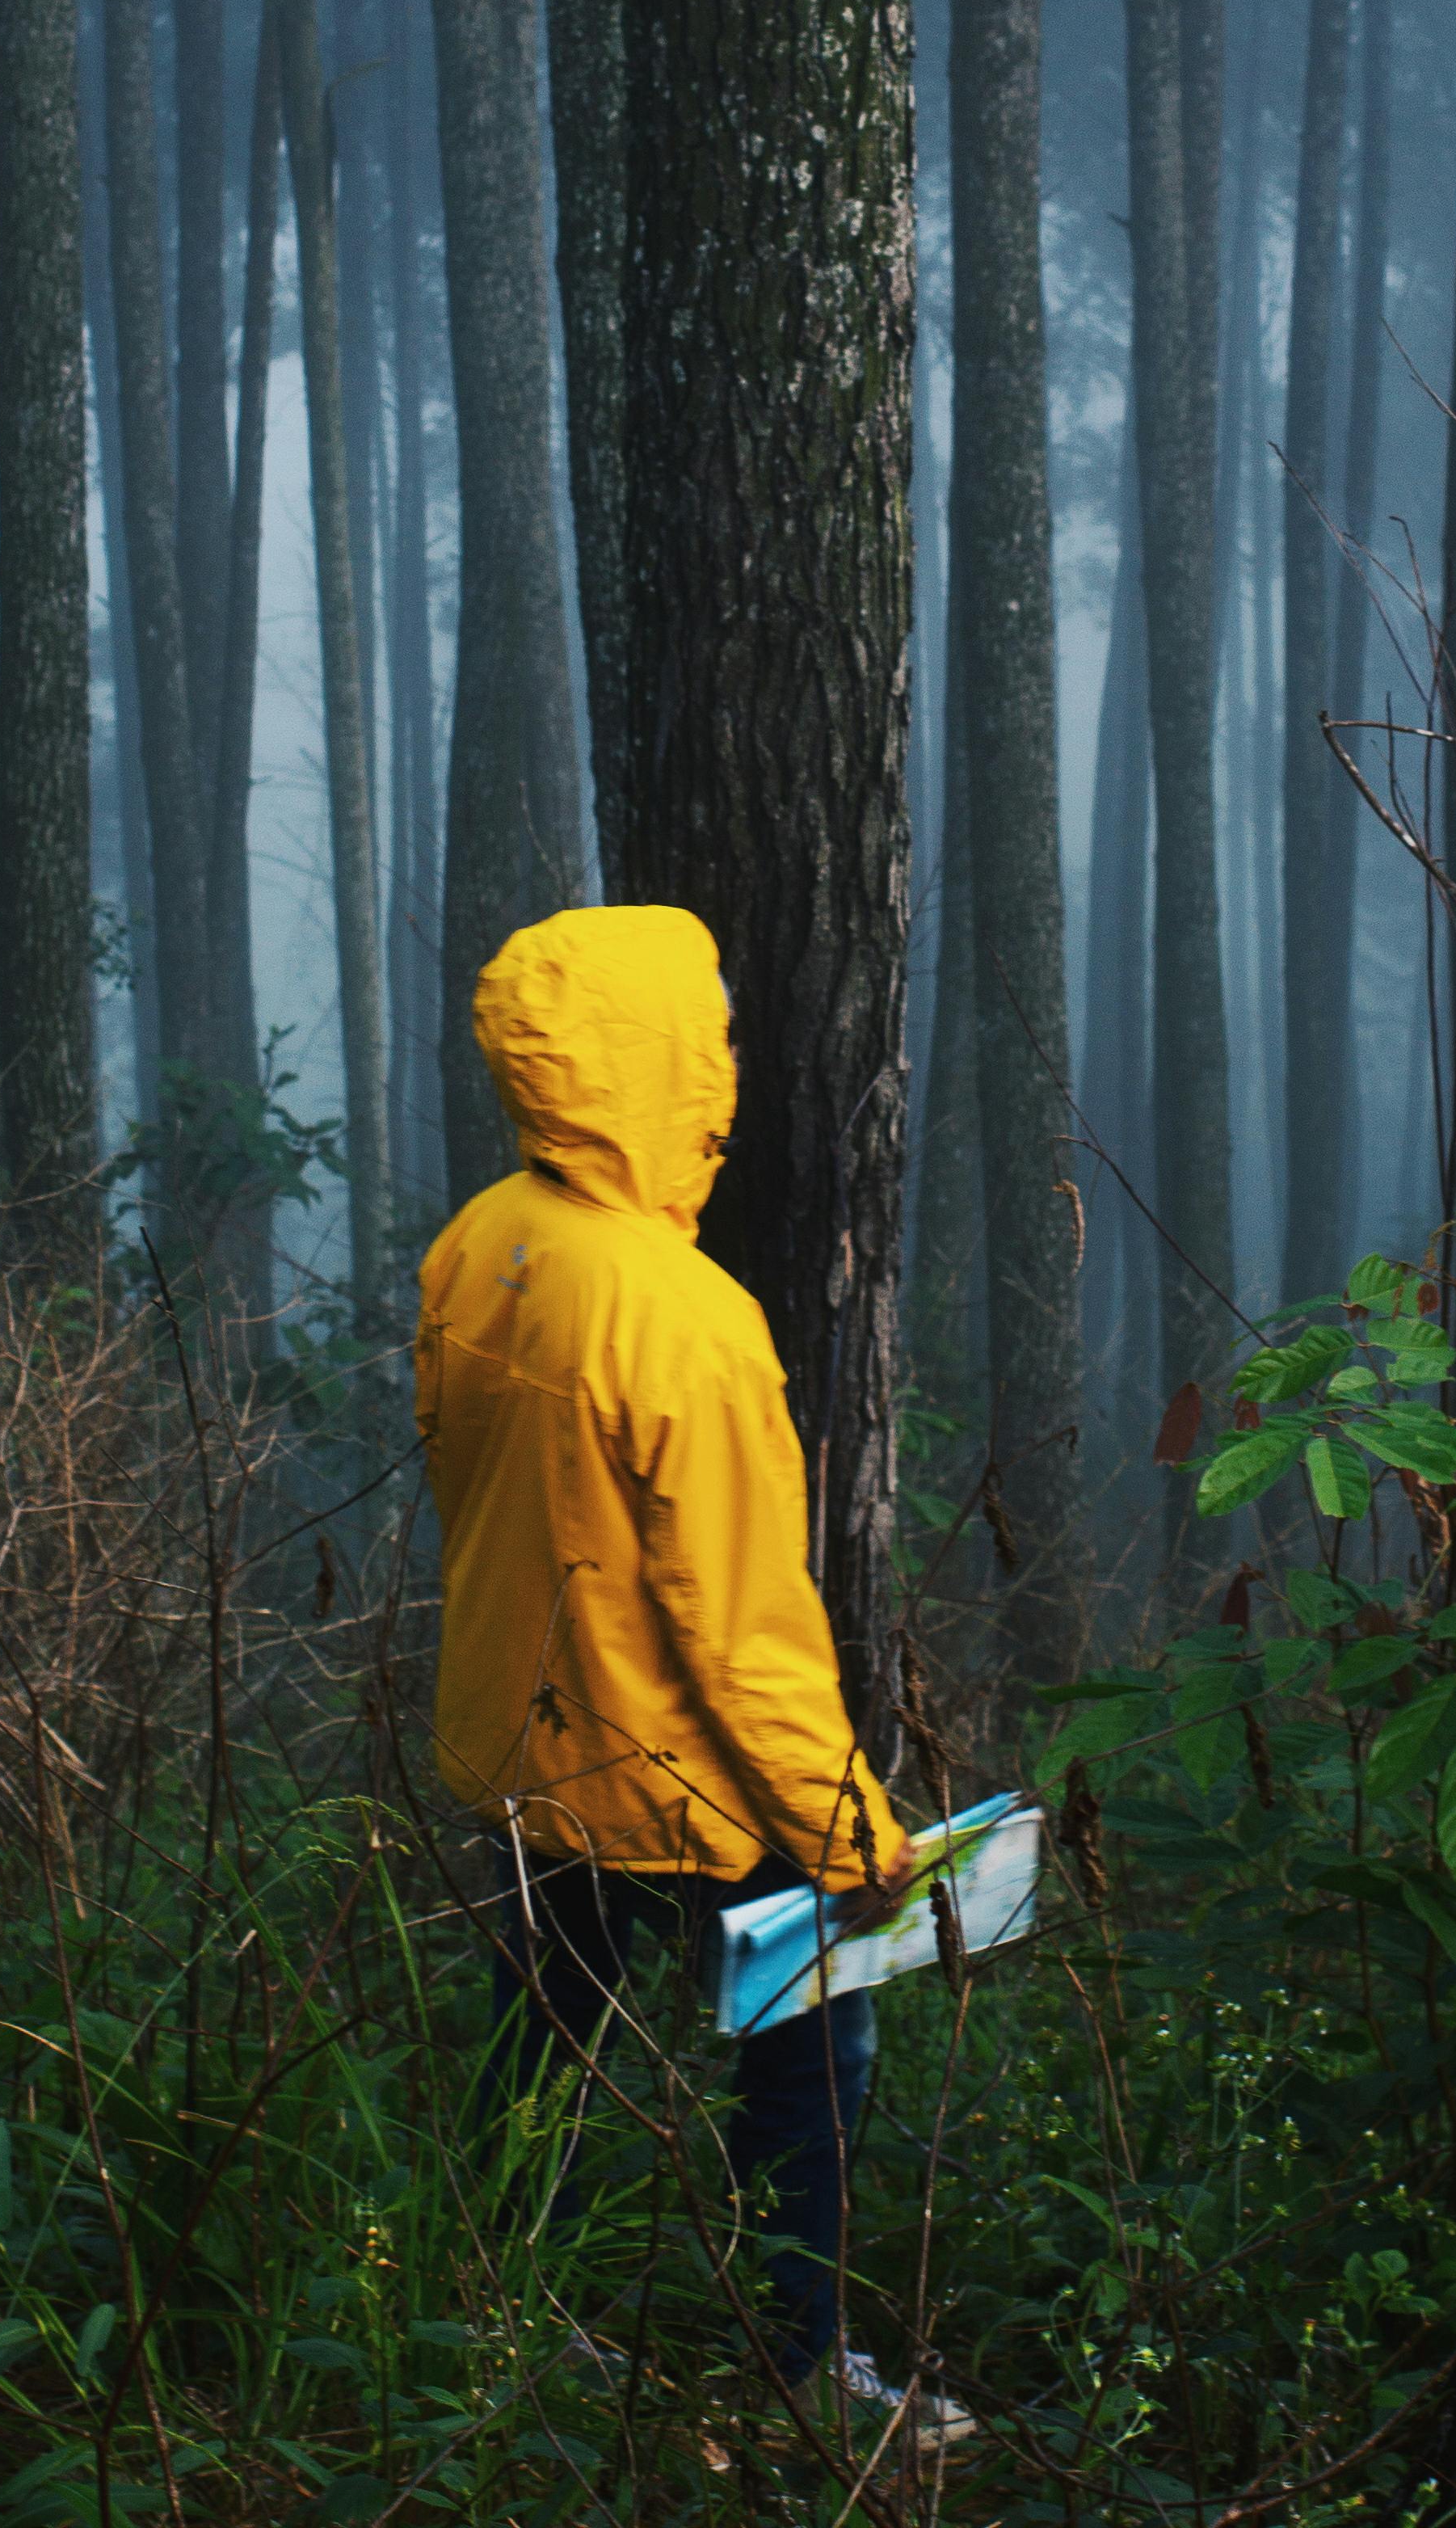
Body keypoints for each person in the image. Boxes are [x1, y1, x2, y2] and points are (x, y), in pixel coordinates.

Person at [418, 902, 970, 2442]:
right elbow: (747, 1630)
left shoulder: (482, 1244)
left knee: (544, 2040)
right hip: (678, 1781)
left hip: (526, 1752)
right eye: (712, 1034)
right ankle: (808, 2380)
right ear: (656, 1062)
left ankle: (486, 2321)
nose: (731, 1060)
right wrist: (851, 1837)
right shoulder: (686, 1319)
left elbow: (460, 1478)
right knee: (812, 2060)